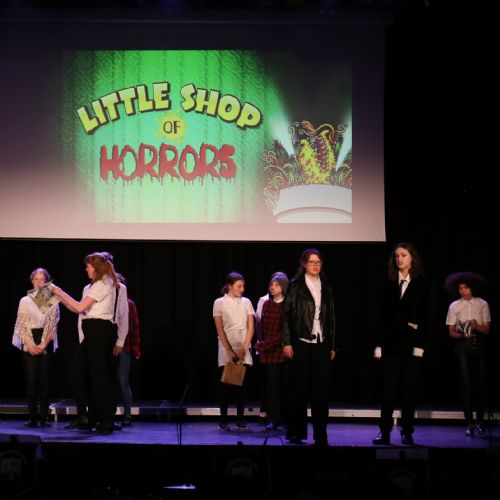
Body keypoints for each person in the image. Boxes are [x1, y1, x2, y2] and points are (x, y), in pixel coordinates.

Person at [51, 252, 128, 434]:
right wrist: (57, 296)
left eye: (88, 266)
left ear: (96, 268)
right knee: (78, 371)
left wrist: (59, 291)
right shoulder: (95, 285)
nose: (86, 269)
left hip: (100, 331)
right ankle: (91, 416)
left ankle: (106, 420)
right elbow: (78, 309)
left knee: (100, 376)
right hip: (92, 331)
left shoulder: (103, 284)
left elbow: (79, 307)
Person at [372, 242, 430, 446]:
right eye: (396, 256)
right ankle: (384, 432)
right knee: (387, 390)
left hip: (412, 345)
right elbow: (379, 316)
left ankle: (407, 431)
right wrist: (378, 345)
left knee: (409, 390)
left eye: (403, 255)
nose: (399, 259)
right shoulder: (387, 283)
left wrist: (420, 345)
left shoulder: (422, 284)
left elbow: (426, 317)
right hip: (390, 344)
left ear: (412, 258)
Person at [282, 249, 337, 447]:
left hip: (321, 343)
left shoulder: (326, 287)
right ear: (304, 264)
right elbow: (286, 315)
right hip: (300, 342)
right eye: (312, 262)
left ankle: (321, 435)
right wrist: (286, 342)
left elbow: (332, 318)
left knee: (321, 391)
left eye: (318, 262)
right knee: (299, 389)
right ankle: (296, 433)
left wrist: (332, 345)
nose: (315, 265)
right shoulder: (295, 286)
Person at [12, 268, 60, 428]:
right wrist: (30, 345)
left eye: (42, 280)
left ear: (46, 282)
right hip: (29, 339)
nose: (39, 283)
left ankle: (44, 418)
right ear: (32, 281)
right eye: (36, 279)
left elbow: (52, 325)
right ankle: (32, 417)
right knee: (31, 381)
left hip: (45, 339)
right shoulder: (24, 301)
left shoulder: (52, 300)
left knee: (44, 381)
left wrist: (44, 344)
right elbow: (22, 324)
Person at [445, 271, 491, 436]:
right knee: (466, 386)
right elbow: (451, 331)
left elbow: (487, 330)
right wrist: (461, 335)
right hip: (462, 347)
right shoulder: (454, 306)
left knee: (481, 385)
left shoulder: (482, 304)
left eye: (465, 288)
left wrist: (476, 326)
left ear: (472, 288)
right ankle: (469, 423)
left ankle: (480, 422)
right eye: (460, 288)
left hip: (479, 346)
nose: (463, 291)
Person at [213, 271, 255, 431]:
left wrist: (244, 349)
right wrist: (230, 351)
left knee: (241, 386)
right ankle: (223, 419)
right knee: (225, 385)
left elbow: (250, 327)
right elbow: (220, 329)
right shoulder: (219, 303)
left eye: (243, 286)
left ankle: (240, 419)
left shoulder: (246, 302)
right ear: (230, 286)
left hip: (243, 346)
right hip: (226, 347)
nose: (242, 289)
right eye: (239, 286)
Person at [255, 272, 289, 431]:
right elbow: (261, 326)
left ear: (283, 287)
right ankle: (274, 419)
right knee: (271, 387)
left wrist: (264, 345)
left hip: (281, 351)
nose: (272, 287)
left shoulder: (287, 305)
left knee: (284, 387)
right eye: (271, 285)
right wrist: (261, 343)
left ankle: (285, 419)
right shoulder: (267, 304)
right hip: (268, 352)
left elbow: (283, 332)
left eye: (276, 285)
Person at [115, 273, 141, 426]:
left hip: (125, 347)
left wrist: (135, 350)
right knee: (109, 381)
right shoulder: (107, 303)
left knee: (123, 380)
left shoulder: (129, 304)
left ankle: (127, 414)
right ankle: (107, 415)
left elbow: (134, 328)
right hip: (109, 347)